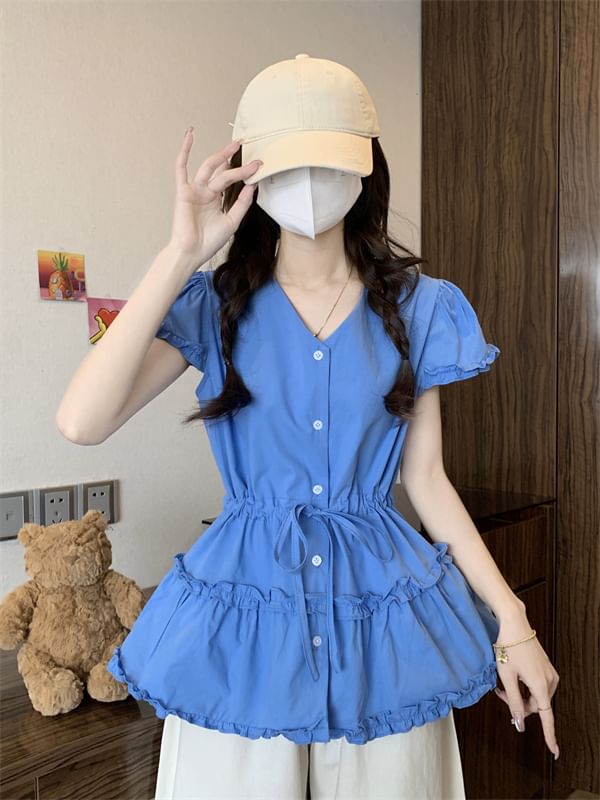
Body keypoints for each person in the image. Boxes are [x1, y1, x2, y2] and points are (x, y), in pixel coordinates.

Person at [56, 55, 560, 800]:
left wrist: (513, 621)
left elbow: (426, 481)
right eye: (292, 163)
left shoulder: (421, 307)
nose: (314, 181)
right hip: (243, 624)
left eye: (332, 159)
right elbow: (81, 420)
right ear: (249, 174)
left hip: (381, 622)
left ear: (366, 166)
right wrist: (180, 252)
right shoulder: (214, 304)